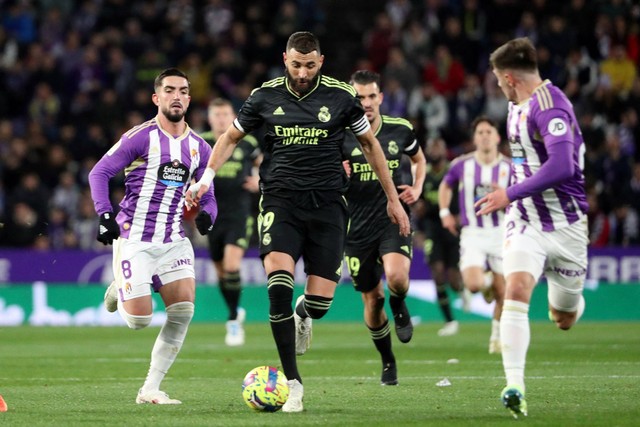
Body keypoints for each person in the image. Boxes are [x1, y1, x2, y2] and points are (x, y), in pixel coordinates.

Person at [186, 32, 410, 412]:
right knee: (278, 288)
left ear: (320, 61)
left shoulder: (341, 97)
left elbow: (371, 146)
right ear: (284, 59)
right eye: (295, 64)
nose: (302, 72)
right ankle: (293, 382)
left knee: (322, 302)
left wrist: (393, 199)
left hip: (328, 206)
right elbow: (230, 137)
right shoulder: (264, 96)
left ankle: (305, 313)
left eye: (309, 65)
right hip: (280, 202)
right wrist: (205, 178)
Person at [88, 68, 217, 404]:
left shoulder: (200, 147)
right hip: (135, 240)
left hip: (173, 239)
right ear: (156, 98)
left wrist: (208, 214)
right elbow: (99, 172)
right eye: (170, 90)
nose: (177, 96)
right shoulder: (140, 137)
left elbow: (208, 192)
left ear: (189, 98)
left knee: (184, 310)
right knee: (139, 321)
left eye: (183, 91)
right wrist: (105, 215)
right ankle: (121, 285)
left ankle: (150, 389)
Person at [477, 37, 588, 418]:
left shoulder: (550, 106)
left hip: (568, 226)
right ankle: (514, 386)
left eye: (497, 79)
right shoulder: (516, 105)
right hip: (526, 220)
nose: (498, 86)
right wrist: (512, 191)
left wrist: (509, 192)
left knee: (563, 318)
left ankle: (572, 300)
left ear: (509, 77)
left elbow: (563, 167)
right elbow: (530, 159)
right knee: (517, 290)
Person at [342, 70, 426, 385]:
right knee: (372, 300)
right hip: (355, 228)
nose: (366, 103)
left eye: (371, 96)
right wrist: (339, 174)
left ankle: (400, 303)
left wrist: (417, 188)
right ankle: (387, 359)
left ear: (380, 98)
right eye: (359, 97)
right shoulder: (340, 134)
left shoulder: (400, 130)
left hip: (393, 218)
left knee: (397, 278)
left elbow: (419, 159)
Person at [438, 116, 511, 354]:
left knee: (503, 292)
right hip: (473, 232)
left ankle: (497, 337)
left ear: (497, 137)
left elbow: (522, 196)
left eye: (489, 131)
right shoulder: (462, 164)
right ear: (474, 138)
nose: (484, 136)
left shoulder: (510, 168)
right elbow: (446, 186)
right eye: (480, 132)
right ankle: (486, 281)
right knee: (473, 284)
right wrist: (445, 212)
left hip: (501, 232)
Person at [200, 97, 262, 346]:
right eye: (216, 115)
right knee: (221, 273)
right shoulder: (202, 141)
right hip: (212, 214)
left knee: (232, 265)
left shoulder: (247, 142)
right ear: (210, 118)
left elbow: (264, 164)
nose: (221, 119)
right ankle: (234, 312)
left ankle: (234, 319)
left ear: (233, 115)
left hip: (240, 213)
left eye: (225, 114)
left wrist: (260, 180)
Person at [414, 137, 466, 336]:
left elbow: (464, 197)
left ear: (445, 150)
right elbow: (416, 203)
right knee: (437, 273)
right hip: (432, 230)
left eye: (437, 146)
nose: (434, 150)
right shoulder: (423, 175)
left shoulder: (453, 174)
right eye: (431, 146)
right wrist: (417, 216)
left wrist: (463, 217)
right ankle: (450, 321)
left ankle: (464, 290)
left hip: (452, 229)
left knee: (453, 279)